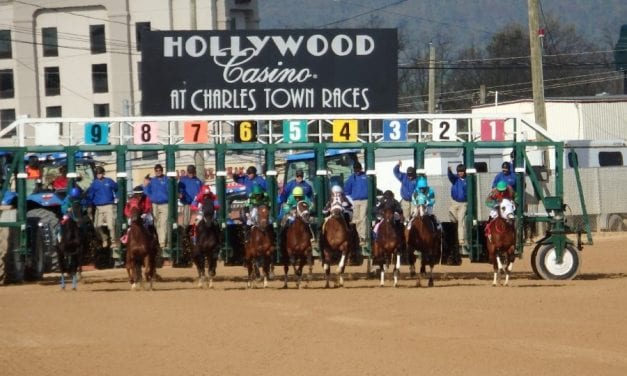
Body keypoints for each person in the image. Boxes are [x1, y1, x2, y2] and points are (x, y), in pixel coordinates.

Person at [86, 166, 120, 260]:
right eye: (97, 173)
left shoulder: (109, 181)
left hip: (109, 205)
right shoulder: (94, 184)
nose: (99, 175)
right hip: (98, 207)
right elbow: (90, 195)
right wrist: (89, 205)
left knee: (111, 225)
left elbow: (117, 188)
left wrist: (117, 197)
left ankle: (113, 241)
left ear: (103, 173)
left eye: (100, 173)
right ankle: (104, 238)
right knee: (97, 225)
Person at [144, 164, 169, 251]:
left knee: (163, 223)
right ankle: (161, 240)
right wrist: (152, 197)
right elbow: (147, 190)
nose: (158, 172)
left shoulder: (167, 180)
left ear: (162, 170)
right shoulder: (152, 180)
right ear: (155, 171)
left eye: (160, 170)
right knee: (156, 223)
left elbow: (171, 190)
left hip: (165, 204)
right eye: (156, 170)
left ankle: (162, 242)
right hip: (155, 204)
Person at [344, 161, 368, 246]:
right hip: (355, 201)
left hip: (365, 200)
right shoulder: (351, 178)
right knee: (356, 219)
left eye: (358, 169)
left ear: (360, 169)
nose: (357, 171)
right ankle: (357, 237)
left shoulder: (366, 176)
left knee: (363, 218)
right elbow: (346, 190)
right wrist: (350, 200)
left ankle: (363, 237)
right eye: (355, 170)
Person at [448, 164, 468, 254]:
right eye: (459, 171)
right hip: (454, 202)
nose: (460, 173)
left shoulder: (468, 180)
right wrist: (449, 170)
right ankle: (454, 237)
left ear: (465, 172)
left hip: (463, 203)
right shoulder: (455, 179)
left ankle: (461, 240)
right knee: (452, 216)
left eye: (462, 171)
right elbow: (451, 176)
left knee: (461, 221)